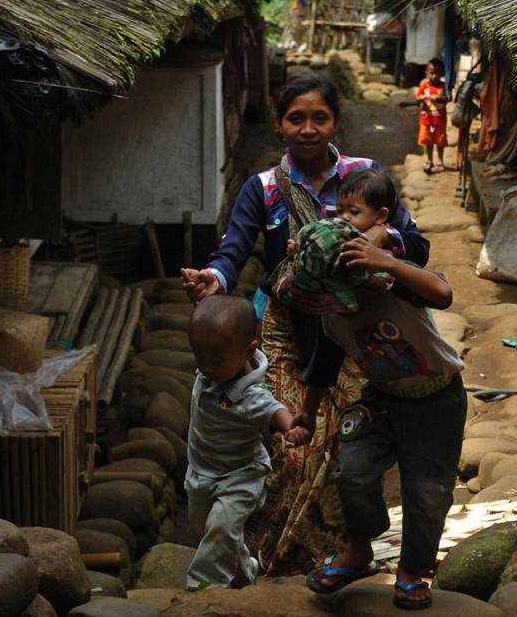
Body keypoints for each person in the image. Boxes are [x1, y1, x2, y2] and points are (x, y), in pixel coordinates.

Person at [180, 72, 429, 574]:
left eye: (320, 117)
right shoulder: (264, 188)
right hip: (287, 334)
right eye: (297, 118)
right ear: (279, 124)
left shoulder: (366, 173)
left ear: (336, 122)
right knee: (291, 447)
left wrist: (383, 240)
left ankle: (339, 555)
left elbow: (417, 248)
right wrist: (213, 276)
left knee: (348, 448)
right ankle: (282, 564)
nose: (309, 128)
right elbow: (234, 250)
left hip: (353, 336)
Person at [273, 219, 466, 610]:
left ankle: (412, 570)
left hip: (437, 402)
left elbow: (444, 293)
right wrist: (307, 413)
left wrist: (390, 263)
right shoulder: (330, 311)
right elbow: (324, 365)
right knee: (353, 471)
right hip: (380, 399)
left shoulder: (395, 286)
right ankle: (359, 551)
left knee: (427, 496)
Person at [184, 295, 311, 589]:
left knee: (221, 527)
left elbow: (276, 411)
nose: (206, 368)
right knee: (212, 531)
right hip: (200, 471)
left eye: (215, 360)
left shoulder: (251, 395)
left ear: (248, 351)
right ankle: (245, 570)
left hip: (240, 477)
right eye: (199, 358)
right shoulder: (211, 364)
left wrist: (292, 428)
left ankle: (202, 588)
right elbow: (206, 323)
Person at [286, 167, 394, 258]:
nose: (344, 217)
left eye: (354, 212)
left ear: (380, 216)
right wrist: (299, 251)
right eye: (340, 210)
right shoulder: (337, 235)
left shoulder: (382, 249)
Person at [417, 58, 449, 174]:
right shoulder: (424, 86)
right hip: (427, 120)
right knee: (428, 141)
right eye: (432, 73)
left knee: (440, 141)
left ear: (442, 74)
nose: (434, 76)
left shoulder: (443, 87)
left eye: (437, 73)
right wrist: (420, 99)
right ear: (427, 73)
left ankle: (440, 160)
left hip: (439, 120)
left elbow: (448, 99)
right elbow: (418, 97)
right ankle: (429, 160)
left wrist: (438, 98)